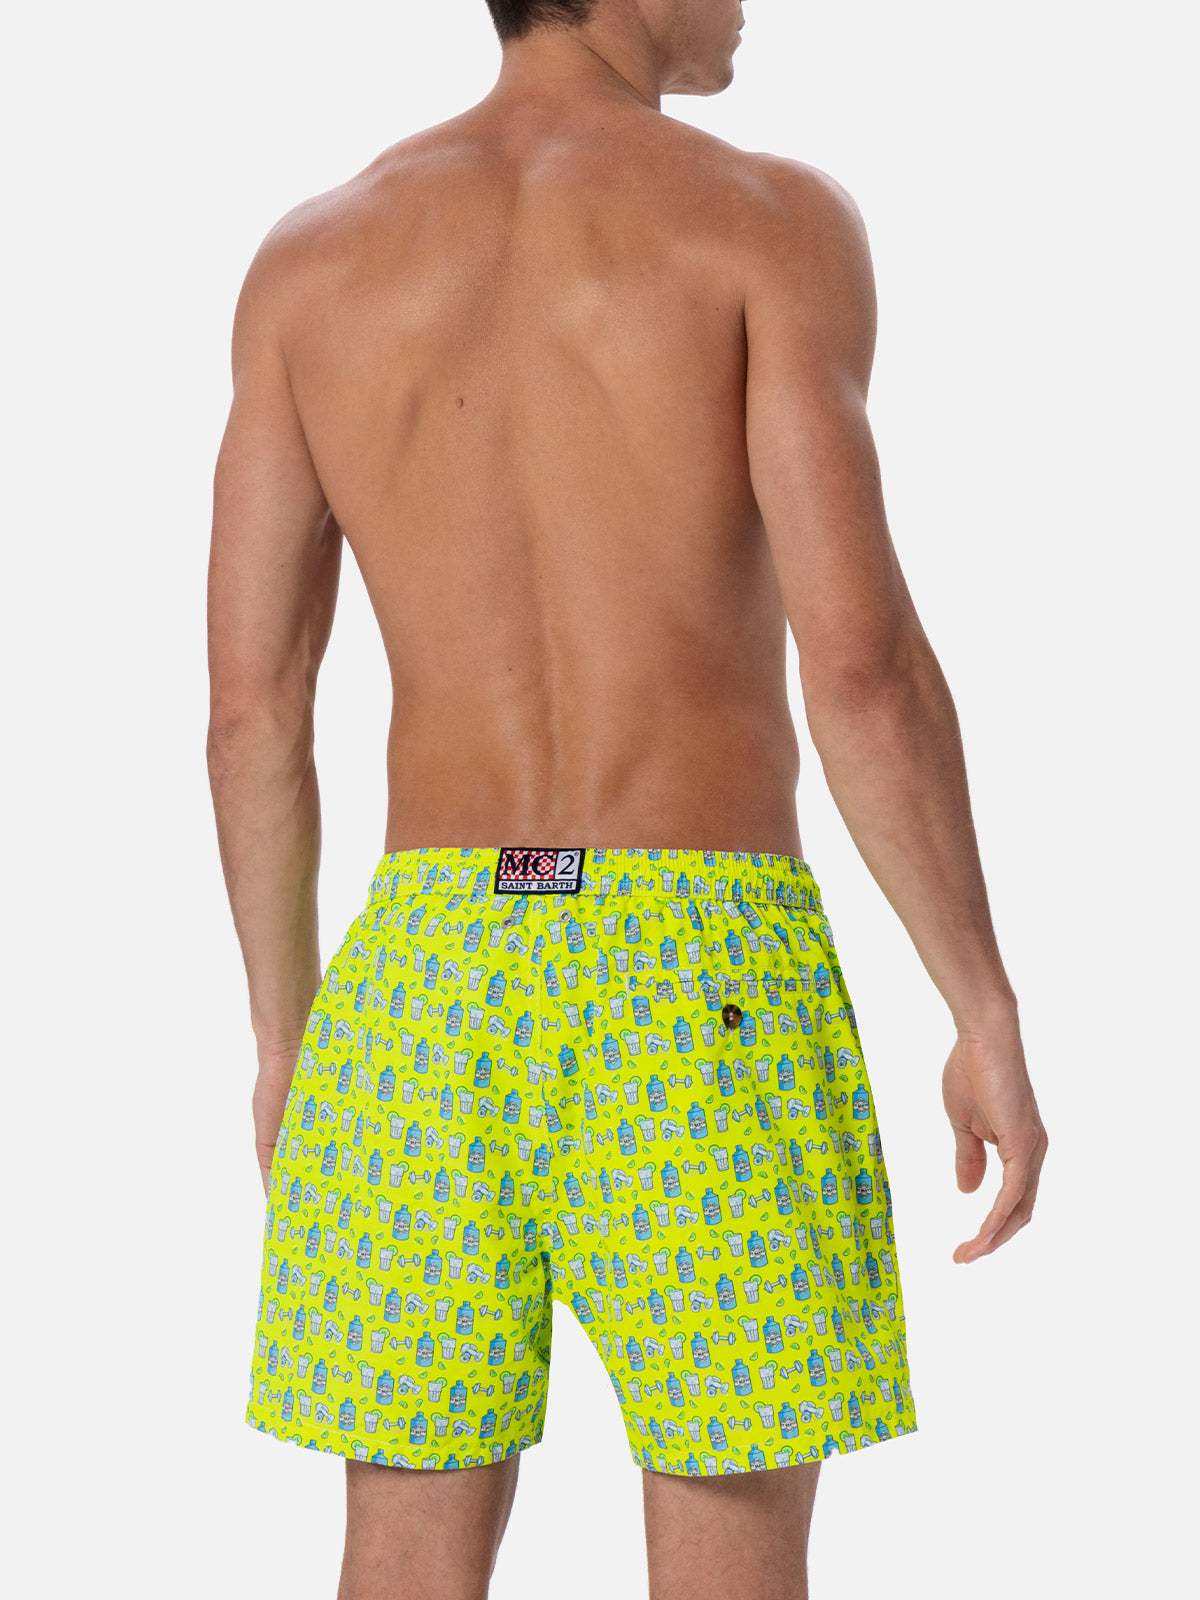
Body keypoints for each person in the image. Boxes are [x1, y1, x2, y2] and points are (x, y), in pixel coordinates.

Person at [207, 2, 1049, 1595]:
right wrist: (981, 1003)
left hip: (423, 981)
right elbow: (859, 666)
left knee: (401, 1546)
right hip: (695, 964)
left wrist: (283, 1039)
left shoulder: (310, 265)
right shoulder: (764, 224)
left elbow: (253, 714)